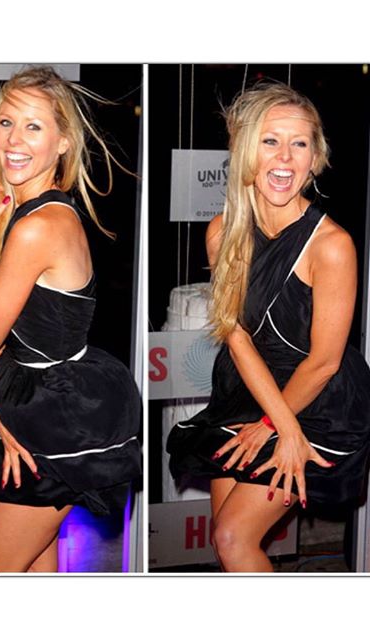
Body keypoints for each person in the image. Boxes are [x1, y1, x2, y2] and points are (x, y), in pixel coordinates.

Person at [167, 81, 370, 572]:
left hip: (317, 401)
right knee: (224, 543)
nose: (284, 158)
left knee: (234, 537)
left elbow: (324, 362)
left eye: (299, 144)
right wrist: (269, 421)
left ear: (315, 158)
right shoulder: (222, 232)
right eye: (270, 140)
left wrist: (278, 425)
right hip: (247, 389)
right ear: (244, 150)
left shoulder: (332, 245)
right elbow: (236, 335)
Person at [0, 66, 142, 572]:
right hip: (42, 406)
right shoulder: (35, 214)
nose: (13, 140)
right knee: (37, 570)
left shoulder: (36, 227)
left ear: (63, 142)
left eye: (33, 126)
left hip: (52, 418)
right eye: (6, 123)